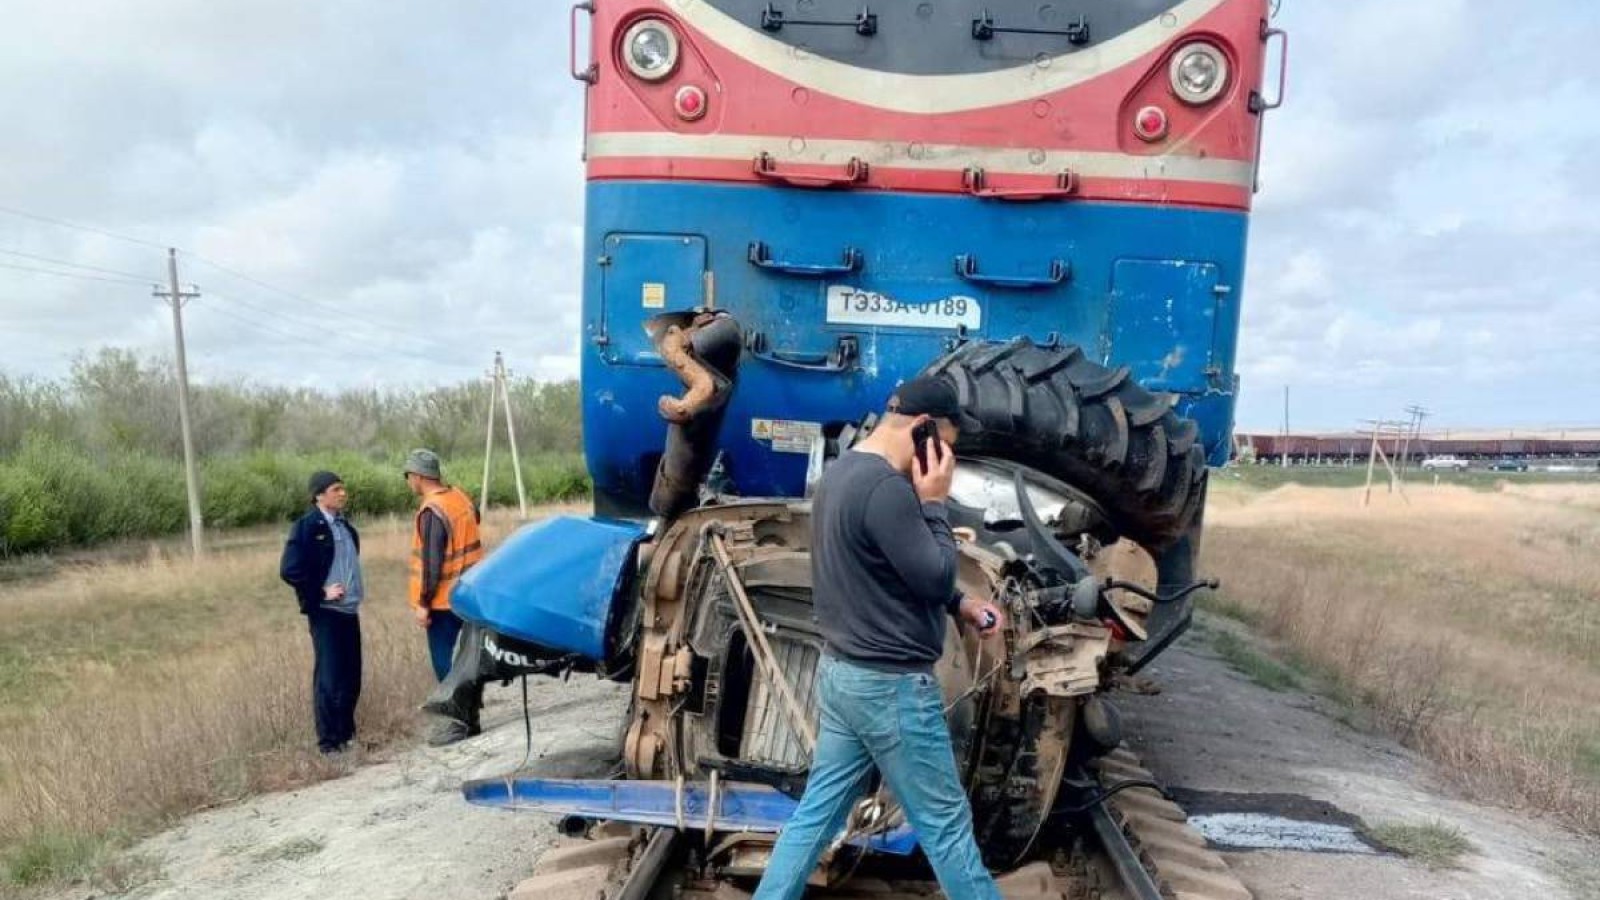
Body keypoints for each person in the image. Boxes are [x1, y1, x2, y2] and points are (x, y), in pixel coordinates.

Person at [753, 376, 1006, 900]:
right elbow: (933, 573)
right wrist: (934, 503)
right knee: (947, 827)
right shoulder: (889, 490)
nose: (948, 461)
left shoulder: (843, 473)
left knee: (816, 818)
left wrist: (960, 603)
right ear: (924, 430)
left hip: (844, 676)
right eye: (949, 445)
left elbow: (891, 570)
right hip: (890, 688)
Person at [402, 448, 486, 745]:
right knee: (469, 660)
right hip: (469, 592)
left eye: (409, 476)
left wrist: (423, 603)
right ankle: (471, 717)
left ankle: (457, 721)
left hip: (442, 601)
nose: (409, 482)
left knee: (445, 665)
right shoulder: (459, 497)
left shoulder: (432, 511)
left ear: (419, 476)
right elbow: (474, 521)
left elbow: (432, 563)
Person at [278, 470, 364, 756]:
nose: (342, 493)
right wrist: (320, 592)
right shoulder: (306, 527)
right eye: (336, 489)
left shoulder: (345, 527)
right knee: (329, 677)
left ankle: (347, 736)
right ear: (319, 495)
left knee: (351, 676)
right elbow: (290, 569)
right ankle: (329, 744)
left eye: (343, 488)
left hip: (349, 612)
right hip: (326, 614)